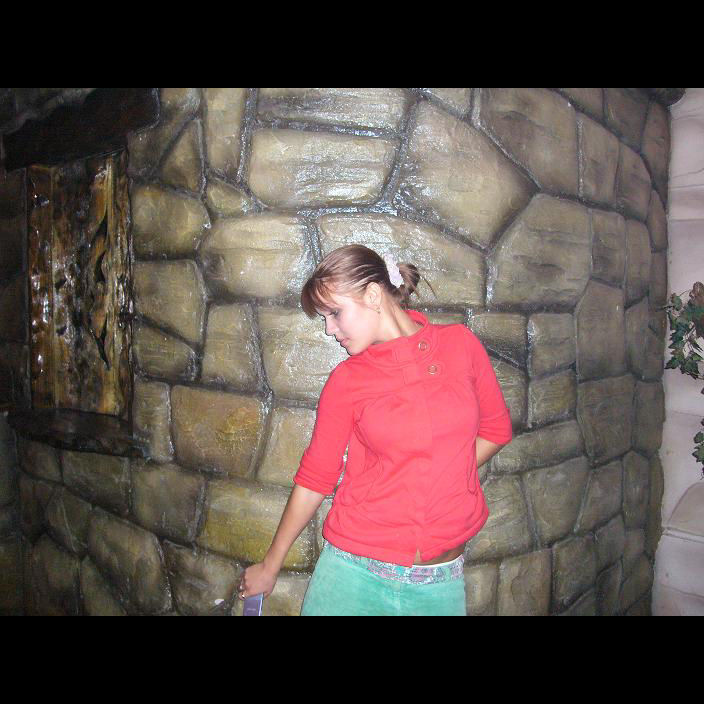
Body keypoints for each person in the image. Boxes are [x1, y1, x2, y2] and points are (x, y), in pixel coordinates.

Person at [238, 244, 512, 615]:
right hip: (352, 576)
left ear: (372, 294)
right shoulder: (347, 380)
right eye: (325, 318)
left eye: (335, 313)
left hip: (438, 585)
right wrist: (271, 566)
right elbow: (316, 477)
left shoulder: (460, 345)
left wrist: (445, 471)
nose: (330, 330)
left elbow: (496, 430)